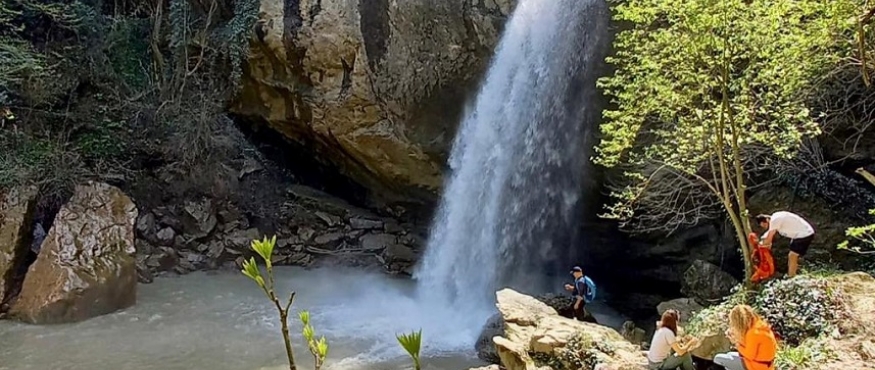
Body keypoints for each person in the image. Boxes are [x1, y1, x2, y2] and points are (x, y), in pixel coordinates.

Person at [714, 305, 777, 370]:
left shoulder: (753, 333)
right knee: (729, 355)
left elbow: (749, 356)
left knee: (718, 358)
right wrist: (735, 338)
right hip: (764, 365)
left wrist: (736, 343)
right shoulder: (758, 325)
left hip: (757, 367)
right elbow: (752, 348)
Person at [755, 212, 815, 278]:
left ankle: (791, 276)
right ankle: (794, 272)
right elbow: (768, 235)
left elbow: (769, 238)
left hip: (804, 234)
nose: (765, 228)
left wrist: (761, 246)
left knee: (792, 255)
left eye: (764, 225)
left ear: (767, 220)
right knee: (793, 254)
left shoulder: (775, 220)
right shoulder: (775, 219)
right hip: (799, 235)